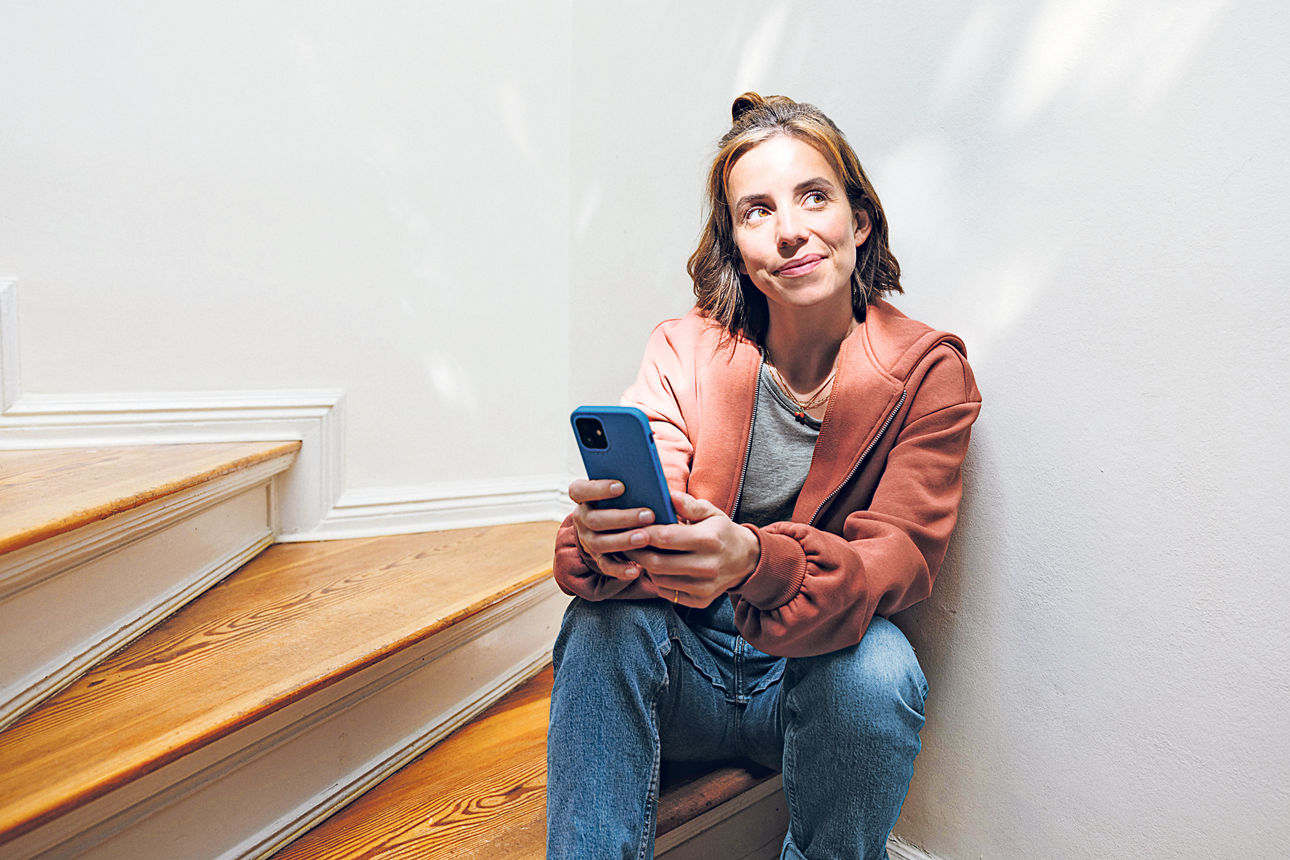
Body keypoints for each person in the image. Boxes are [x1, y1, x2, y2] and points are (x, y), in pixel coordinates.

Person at [546, 92, 981, 860]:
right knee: (600, 624)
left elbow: (900, 561)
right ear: (736, 245)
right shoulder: (684, 348)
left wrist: (757, 560)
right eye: (757, 211)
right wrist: (602, 540)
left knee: (880, 669)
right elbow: (655, 505)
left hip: (811, 683)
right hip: (684, 668)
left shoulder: (928, 372)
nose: (789, 231)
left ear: (860, 219)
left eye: (814, 197)